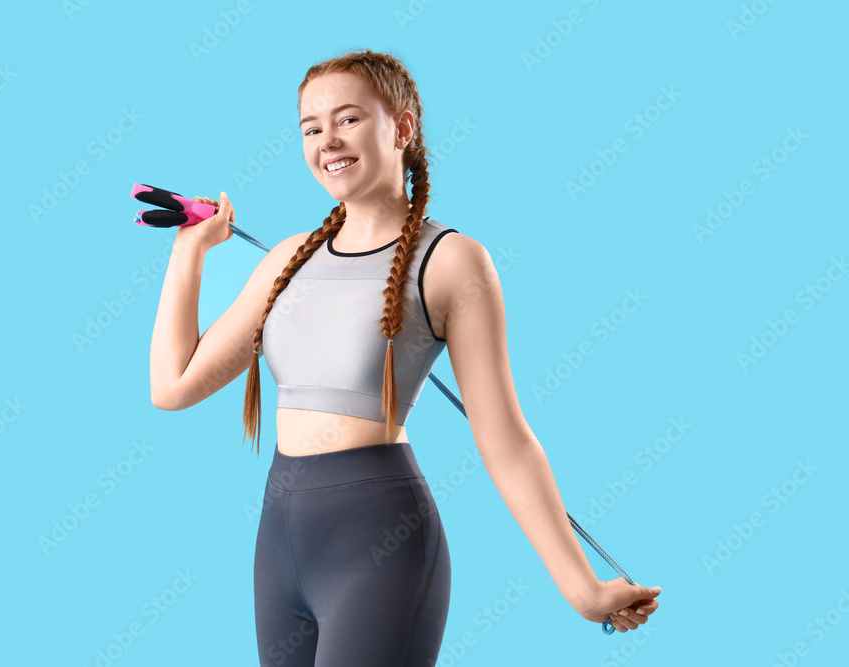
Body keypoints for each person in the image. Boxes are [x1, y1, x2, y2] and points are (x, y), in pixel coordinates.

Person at [150, 48, 662, 666]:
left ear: (402, 126)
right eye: (311, 128)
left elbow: (505, 441)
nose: (327, 141)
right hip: (279, 540)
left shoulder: (451, 261)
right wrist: (190, 249)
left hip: (378, 542)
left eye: (347, 119)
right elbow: (173, 385)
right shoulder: (288, 259)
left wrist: (583, 589)